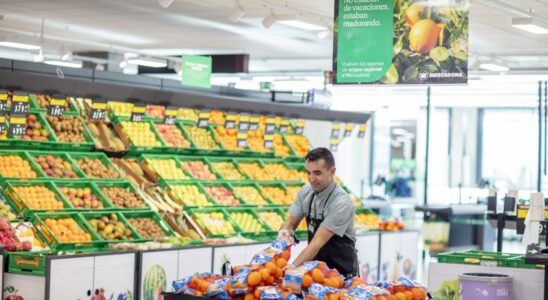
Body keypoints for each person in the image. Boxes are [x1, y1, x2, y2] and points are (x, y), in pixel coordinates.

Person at [278, 147, 358, 278]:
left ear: (332, 171)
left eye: (317, 173)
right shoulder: (305, 192)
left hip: (340, 275)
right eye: (308, 173)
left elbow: (317, 243)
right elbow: (291, 222)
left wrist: (292, 268)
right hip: (315, 272)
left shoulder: (341, 203)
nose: (312, 179)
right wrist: (283, 235)